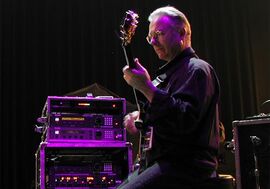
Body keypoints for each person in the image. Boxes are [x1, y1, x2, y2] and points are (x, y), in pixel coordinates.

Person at [119, 6, 221, 189]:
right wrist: (142, 117)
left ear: (181, 33)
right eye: (150, 37)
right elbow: (167, 117)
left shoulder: (197, 69)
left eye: (158, 34)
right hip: (162, 163)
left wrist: (147, 87)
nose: (153, 42)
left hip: (185, 167)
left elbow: (184, 120)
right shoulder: (169, 74)